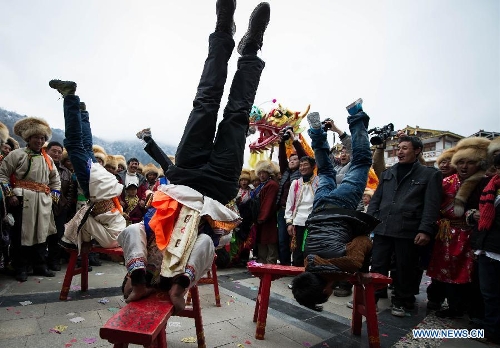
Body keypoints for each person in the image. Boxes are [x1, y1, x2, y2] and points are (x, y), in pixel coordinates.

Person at [119, 0, 271, 314]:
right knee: (237, 115)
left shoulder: (141, 244)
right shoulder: (187, 266)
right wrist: (180, 287)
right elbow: (211, 244)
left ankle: (222, 33)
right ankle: (251, 50)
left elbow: (130, 231)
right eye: (145, 278)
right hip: (217, 187)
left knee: (205, 102)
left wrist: (137, 279)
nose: (148, 273)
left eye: (134, 279)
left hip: (184, 173)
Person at [291, 99, 379, 311]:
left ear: (325, 291)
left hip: (342, 207)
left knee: (361, 162)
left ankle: (356, 115)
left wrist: (363, 269)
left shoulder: (347, 265)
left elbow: (364, 241)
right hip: (319, 208)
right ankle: (316, 132)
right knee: (327, 171)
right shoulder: (308, 263)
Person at [367, 134, 442, 317]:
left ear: (417, 151)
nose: (400, 152)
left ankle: (401, 301)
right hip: (383, 227)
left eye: (405, 148)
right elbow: (376, 201)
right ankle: (372, 298)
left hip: (408, 229)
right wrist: (369, 222)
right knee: (377, 265)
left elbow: (431, 206)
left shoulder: (429, 174)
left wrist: (425, 230)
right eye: (398, 148)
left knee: (404, 267)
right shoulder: (388, 173)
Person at [48, 81, 127, 255]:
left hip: (104, 184)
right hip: (96, 188)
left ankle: (83, 114)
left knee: (85, 148)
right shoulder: (111, 242)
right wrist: (72, 239)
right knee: (74, 145)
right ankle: (70, 97)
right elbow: (85, 219)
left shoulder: (122, 232)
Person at [426, 137, 491, 318]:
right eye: (460, 162)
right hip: (445, 233)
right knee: (441, 270)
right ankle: (444, 302)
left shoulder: (485, 183)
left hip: (470, 235)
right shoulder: (445, 181)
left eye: (470, 163)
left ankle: (465, 308)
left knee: (468, 274)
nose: (464, 166)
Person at [0, 117, 61, 282]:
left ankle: (40, 265)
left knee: (42, 233)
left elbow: (55, 179)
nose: (39, 141)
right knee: (22, 234)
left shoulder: (47, 159)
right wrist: (10, 194)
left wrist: (54, 197)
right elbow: (3, 174)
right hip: (22, 199)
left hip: (43, 201)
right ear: (28, 138)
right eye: (36, 137)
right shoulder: (16, 155)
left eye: (42, 138)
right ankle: (21, 267)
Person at [276, 129, 307, 266]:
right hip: (283, 210)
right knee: (282, 239)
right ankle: (284, 265)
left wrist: (294, 139)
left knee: (295, 239)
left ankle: (297, 265)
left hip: (297, 211)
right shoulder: (285, 173)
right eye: (291, 159)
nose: (292, 161)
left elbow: (303, 155)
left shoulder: (302, 174)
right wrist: (282, 142)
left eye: (296, 159)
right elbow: (281, 158)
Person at [46, 141, 76, 271]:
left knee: (57, 235)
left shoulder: (66, 172)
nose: (57, 154)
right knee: (40, 234)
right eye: (54, 151)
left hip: (60, 208)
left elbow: (69, 192)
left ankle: (54, 260)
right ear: (47, 151)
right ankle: (38, 262)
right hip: (41, 204)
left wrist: (65, 206)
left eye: (59, 152)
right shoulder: (41, 166)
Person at [284, 156, 319, 267]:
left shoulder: (319, 182)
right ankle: (297, 277)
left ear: (313, 166)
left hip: (314, 222)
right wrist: (289, 222)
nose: (303, 167)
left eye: (306, 165)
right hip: (298, 222)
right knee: (297, 250)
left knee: (311, 250)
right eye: (301, 165)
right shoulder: (296, 183)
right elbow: (289, 204)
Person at [254, 160, 279, 264]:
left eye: (263, 172)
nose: (261, 175)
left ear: (269, 172)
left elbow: (269, 202)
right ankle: (262, 261)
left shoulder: (272, 184)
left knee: (269, 239)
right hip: (261, 217)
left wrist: (262, 217)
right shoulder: (262, 185)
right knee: (262, 240)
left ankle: (270, 262)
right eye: (259, 173)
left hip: (268, 217)